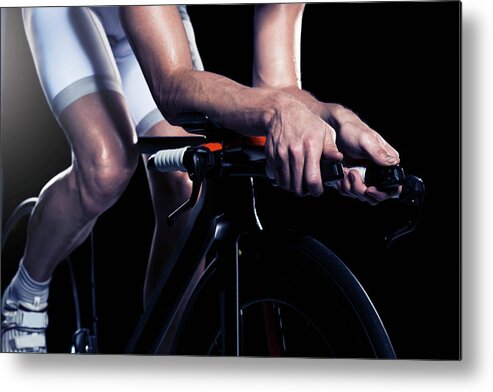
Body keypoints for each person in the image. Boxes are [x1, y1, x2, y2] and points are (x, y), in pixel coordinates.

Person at [1, 4, 399, 353]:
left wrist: (332, 122)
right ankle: (24, 296)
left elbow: (279, 89)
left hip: (154, 17)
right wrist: (278, 113)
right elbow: (172, 86)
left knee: (185, 184)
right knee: (107, 166)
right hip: (72, 11)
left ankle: (162, 362)